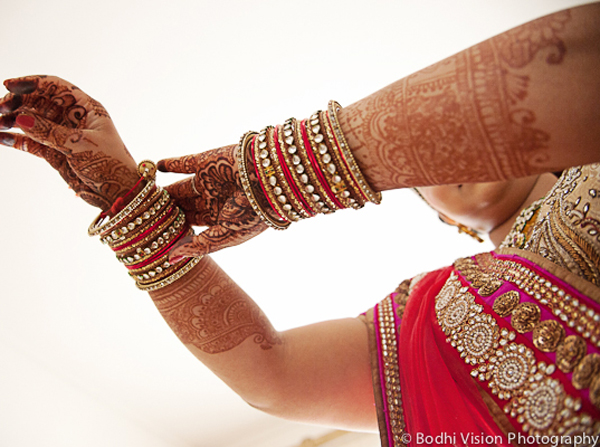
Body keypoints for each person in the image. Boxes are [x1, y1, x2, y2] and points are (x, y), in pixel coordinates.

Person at [1, 3, 599, 446]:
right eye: (428, 169)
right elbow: (273, 376)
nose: (456, 152)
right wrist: (131, 206)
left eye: (457, 130)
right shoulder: (438, 309)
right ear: (447, 219)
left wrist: (266, 178)